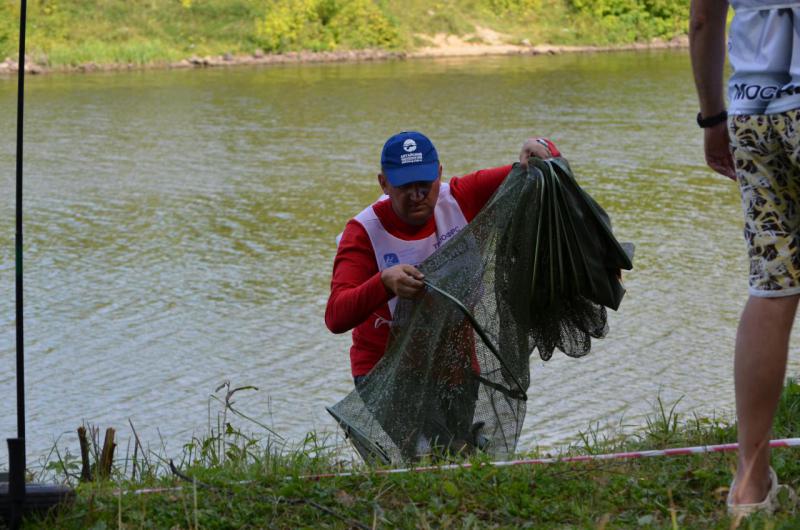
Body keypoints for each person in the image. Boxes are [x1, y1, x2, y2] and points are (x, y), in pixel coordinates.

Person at [325, 131, 559, 390]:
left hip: (455, 368)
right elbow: (336, 316)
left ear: (439, 173)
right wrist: (384, 282)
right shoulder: (362, 232)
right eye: (404, 185)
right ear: (384, 184)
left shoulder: (461, 197)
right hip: (385, 375)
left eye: (425, 183)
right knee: (416, 433)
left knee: (459, 432)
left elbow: (542, 169)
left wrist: (539, 145)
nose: (417, 195)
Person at [690, 0, 800, 516]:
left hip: (753, 113)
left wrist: (713, 117)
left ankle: (749, 487)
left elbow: (704, 20)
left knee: (771, 287)